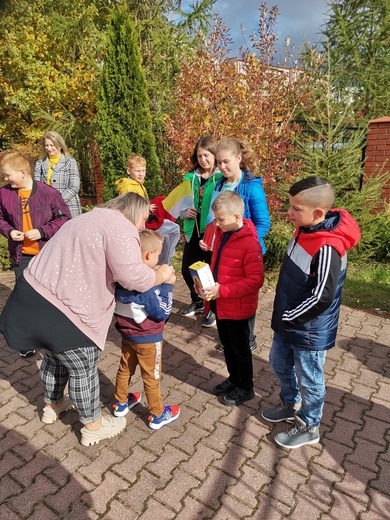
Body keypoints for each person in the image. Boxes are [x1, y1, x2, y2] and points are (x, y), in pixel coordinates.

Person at [0, 192, 175, 446]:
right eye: (143, 220)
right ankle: (93, 425)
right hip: (67, 310)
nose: (141, 228)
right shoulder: (121, 225)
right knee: (83, 369)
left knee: (52, 356)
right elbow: (133, 278)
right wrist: (160, 275)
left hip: (33, 292)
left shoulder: (87, 218)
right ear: (135, 213)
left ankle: (53, 405)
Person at [261, 176, 361, 449]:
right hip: (290, 320)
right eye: (290, 206)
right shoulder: (305, 229)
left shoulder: (328, 247)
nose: (289, 213)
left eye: (295, 208)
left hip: (307, 327)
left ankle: (309, 424)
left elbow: (322, 296)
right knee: (278, 363)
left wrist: (291, 316)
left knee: (310, 377)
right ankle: (289, 402)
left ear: (317, 213)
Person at [0, 150, 72, 357]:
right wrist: (8, 231)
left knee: (51, 297)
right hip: (20, 256)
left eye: (8, 174)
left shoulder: (48, 193)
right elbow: (0, 219)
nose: (6, 179)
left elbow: (64, 218)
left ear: (22, 172)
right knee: (25, 298)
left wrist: (42, 231)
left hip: (46, 255)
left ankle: (54, 336)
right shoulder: (4, 194)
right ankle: (26, 341)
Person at [196, 191, 264, 406]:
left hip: (237, 306)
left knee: (240, 349)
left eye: (221, 219)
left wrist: (222, 290)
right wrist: (205, 285)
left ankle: (246, 387)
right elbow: (218, 266)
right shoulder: (223, 233)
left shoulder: (250, 243)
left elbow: (255, 280)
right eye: (215, 218)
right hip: (222, 303)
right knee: (227, 344)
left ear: (236, 217)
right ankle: (234, 379)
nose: (217, 223)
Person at [203, 138, 271, 352]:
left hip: (244, 254)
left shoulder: (251, 187)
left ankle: (247, 340)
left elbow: (263, 223)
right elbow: (216, 218)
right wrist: (209, 239)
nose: (222, 167)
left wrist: (246, 244)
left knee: (243, 299)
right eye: (219, 163)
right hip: (222, 251)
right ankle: (228, 337)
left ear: (239, 158)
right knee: (225, 295)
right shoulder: (220, 184)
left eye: (226, 162)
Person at [113, 229, 180, 430]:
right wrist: (168, 286)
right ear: (149, 255)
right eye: (158, 253)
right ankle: (157, 414)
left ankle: (120, 402)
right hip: (149, 338)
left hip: (127, 335)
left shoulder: (120, 281)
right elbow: (162, 312)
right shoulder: (147, 287)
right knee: (151, 376)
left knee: (125, 368)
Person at [179, 136, 223, 326]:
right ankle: (197, 301)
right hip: (193, 230)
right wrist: (183, 212)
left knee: (210, 272)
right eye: (200, 156)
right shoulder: (189, 178)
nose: (203, 160)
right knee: (188, 269)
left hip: (213, 232)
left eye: (207, 155)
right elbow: (179, 205)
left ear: (214, 155)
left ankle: (212, 309)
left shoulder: (222, 177)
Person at [115, 154, 180, 265]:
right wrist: (145, 208)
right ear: (128, 171)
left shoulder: (140, 185)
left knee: (172, 229)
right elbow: (130, 206)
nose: (141, 174)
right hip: (135, 223)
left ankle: (161, 262)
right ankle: (160, 263)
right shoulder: (128, 186)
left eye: (143, 171)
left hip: (143, 221)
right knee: (172, 230)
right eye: (137, 171)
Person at [34, 131, 82, 218]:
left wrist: (57, 201)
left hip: (68, 206)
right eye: (46, 145)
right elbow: (37, 187)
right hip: (47, 209)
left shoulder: (70, 162)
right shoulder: (40, 164)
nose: (48, 148)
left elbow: (74, 187)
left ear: (60, 146)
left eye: (52, 145)